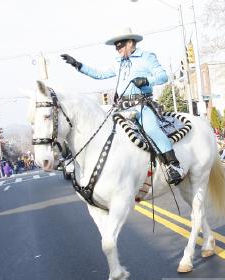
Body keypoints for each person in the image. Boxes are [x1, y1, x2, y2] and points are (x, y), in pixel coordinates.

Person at [61, 28, 183, 185]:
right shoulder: (117, 63)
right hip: (121, 108)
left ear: (131, 43)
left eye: (120, 45)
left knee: (151, 130)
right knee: (104, 131)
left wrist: (146, 81)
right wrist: (78, 65)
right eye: (116, 47)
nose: (118, 49)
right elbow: (100, 75)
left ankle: (174, 166)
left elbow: (163, 76)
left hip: (141, 105)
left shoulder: (147, 57)